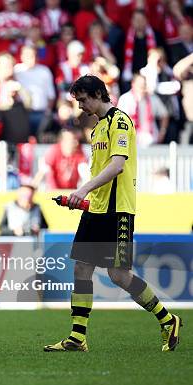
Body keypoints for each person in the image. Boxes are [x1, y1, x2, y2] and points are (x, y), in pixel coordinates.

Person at [44, 75, 182, 353]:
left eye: (83, 99)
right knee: (82, 268)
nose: (80, 106)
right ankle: (77, 337)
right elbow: (101, 178)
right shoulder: (96, 130)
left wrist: (82, 189)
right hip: (97, 209)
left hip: (118, 211)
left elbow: (117, 166)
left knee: (119, 275)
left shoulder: (120, 121)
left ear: (97, 94)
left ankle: (168, 319)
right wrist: (81, 201)